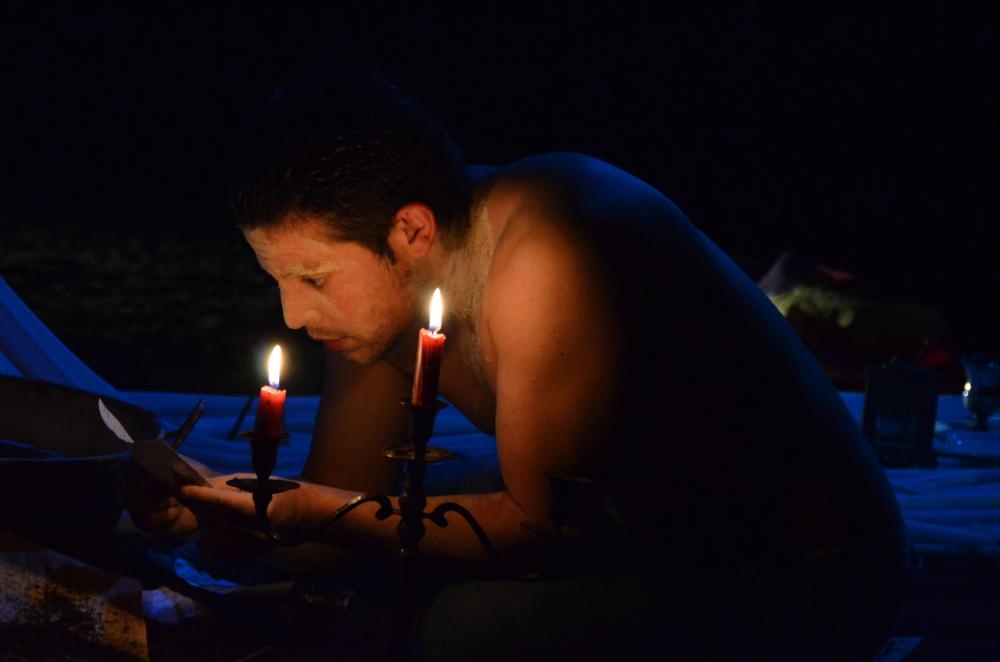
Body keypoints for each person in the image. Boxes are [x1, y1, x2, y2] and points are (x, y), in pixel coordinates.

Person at [125, 66, 907, 660]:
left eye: (313, 279)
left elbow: (541, 530)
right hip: (637, 524)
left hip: (800, 567)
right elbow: (340, 519)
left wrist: (311, 515)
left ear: (411, 232)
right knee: (393, 552)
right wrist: (231, 514)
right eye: (279, 281)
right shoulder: (383, 304)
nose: (293, 315)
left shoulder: (552, 248)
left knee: (467, 628)